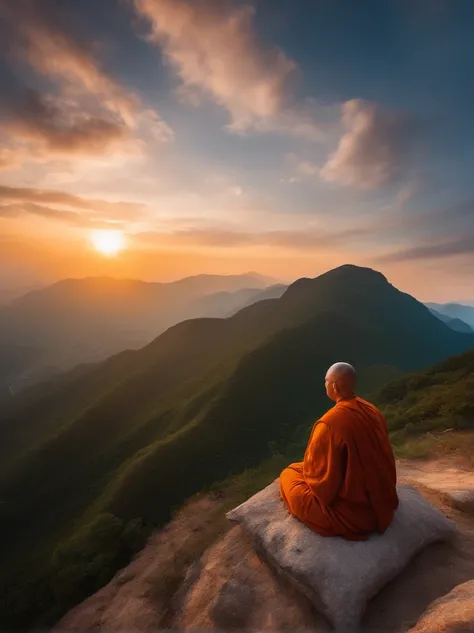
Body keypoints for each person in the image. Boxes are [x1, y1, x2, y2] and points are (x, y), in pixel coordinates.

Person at [279, 362, 399, 541]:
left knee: (288, 475)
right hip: (384, 499)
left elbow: (321, 486)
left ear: (334, 386)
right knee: (299, 468)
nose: (325, 384)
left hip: (355, 514)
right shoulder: (372, 410)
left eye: (326, 381)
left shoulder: (329, 424)